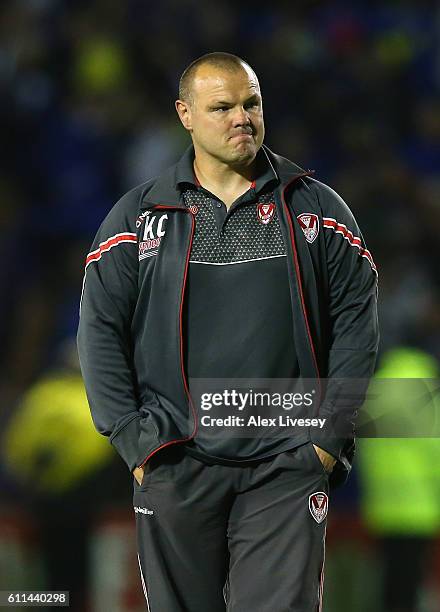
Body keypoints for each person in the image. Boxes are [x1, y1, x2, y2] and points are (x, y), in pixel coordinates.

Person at [77, 52, 379, 611]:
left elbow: (357, 328)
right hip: (174, 460)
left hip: (288, 462)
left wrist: (325, 441)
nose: (242, 117)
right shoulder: (137, 218)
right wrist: (133, 440)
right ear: (185, 114)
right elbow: (99, 331)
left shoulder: (319, 211)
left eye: (252, 104)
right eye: (222, 107)